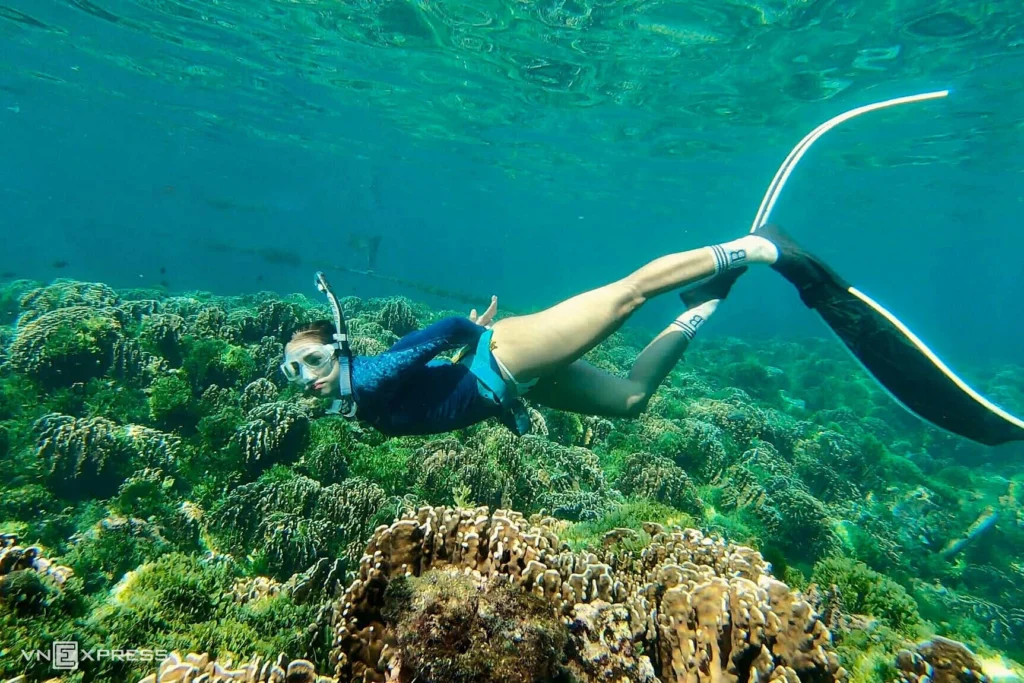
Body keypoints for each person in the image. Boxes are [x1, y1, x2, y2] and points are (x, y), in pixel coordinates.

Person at [281, 224, 1024, 446]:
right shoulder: (358, 401)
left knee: (627, 294)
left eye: (309, 361)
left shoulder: (365, 379)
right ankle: (704, 303)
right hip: (508, 381)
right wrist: (503, 407)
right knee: (632, 400)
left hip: (506, 355)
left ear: (336, 350)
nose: (304, 379)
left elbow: (440, 332)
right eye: (293, 372)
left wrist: (470, 334)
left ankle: (757, 248)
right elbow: (437, 398)